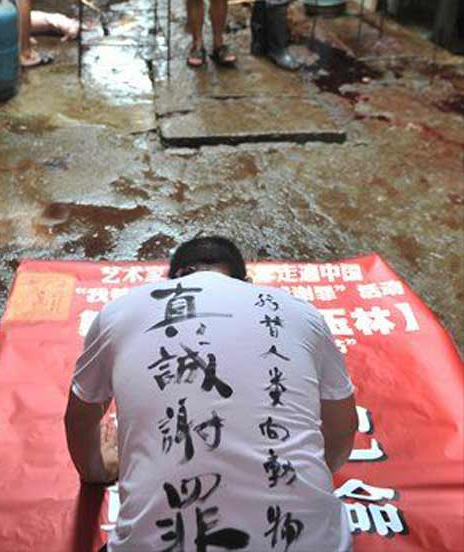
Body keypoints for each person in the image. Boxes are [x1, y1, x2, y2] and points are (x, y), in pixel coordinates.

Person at [65, 235, 357, 551]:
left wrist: (97, 471)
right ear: (246, 282)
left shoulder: (120, 311)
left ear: (171, 282)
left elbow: (79, 418)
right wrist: (304, 478)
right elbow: (343, 427)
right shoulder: (301, 313)